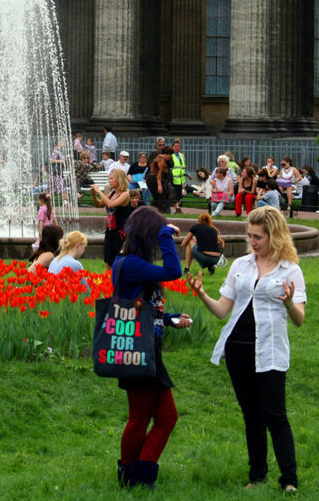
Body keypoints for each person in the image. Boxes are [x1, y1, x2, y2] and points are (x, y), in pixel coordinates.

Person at [186, 206, 305, 492]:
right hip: (238, 350)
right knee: (251, 416)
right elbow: (222, 311)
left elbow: (299, 319)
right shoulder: (241, 265)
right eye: (250, 236)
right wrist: (202, 294)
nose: (252, 242)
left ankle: (289, 480)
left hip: (270, 351)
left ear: (274, 237)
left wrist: (289, 303)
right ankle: (257, 475)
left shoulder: (290, 270)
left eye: (258, 237)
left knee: (275, 415)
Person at [111, 205, 191, 489]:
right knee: (146, 417)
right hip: (138, 351)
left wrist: (168, 319)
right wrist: (167, 234)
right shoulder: (129, 263)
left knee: (159, 417)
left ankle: (135, 475)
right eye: (156, 237)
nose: (159, 243)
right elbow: (174, 270)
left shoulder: (132, 263)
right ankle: (136, 477)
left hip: (146, 349)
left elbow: (143, 307)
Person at [91, 169, 134, 269]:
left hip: (120, 233)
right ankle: (109, 282)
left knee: (119, 262)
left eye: (111, 179)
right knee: (108, 260)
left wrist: (99, 191)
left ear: (119, 180)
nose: (109, 181)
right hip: (110, 232)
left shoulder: (125, 194)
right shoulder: (112, 193)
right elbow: (98, 204)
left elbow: (110, 204)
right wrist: (94, 194)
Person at [169, 139, 187, 214]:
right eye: (175, 146)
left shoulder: (181, 155)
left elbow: (183, 166)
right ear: (172, 147)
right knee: (174, 194)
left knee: (179, 195)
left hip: (180, 178)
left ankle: (177, 209)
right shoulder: (170, 155)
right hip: (173, 178)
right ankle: (177, 209)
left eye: (178, 147)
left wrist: (187, 173)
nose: (177, 148)